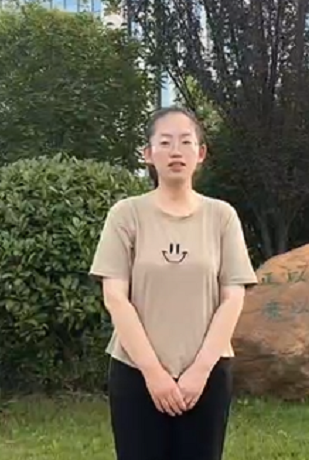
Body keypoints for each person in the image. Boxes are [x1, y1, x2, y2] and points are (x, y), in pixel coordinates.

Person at [89, 106, 258, 460]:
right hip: (136, 373)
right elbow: (115, 296)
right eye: (165, 142)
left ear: (201, 152)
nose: (176, 151)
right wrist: (154, 374)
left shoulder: (221, 217)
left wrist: (198, 372)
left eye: (185, 141)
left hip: (207, 375)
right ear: (148, 154)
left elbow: (232, 296)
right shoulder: (126, 215)